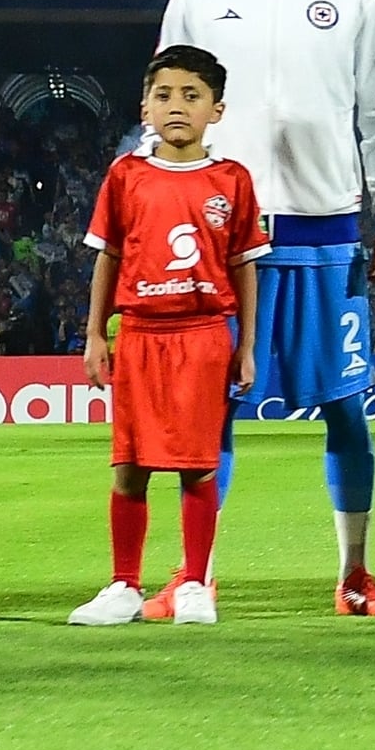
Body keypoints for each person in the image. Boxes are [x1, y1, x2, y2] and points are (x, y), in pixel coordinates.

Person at [154, 0, 375, 617]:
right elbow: (165, 108)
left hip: (326, 230)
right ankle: (194, 573)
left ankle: (355, 574)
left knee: (345, 405)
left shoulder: (355, 1)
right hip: (220, 234)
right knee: (211, 409)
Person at [69, 46, 267, 627]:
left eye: (191, 95)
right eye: (163, 95)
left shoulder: (231, 180)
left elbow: (244, 266)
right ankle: (123, 587)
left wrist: (246, 345)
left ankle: (193, 586)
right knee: (129, 465)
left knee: (197, 465)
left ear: (217, 109)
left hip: (203, 334)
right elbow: (107, 257)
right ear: (144, 108)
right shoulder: (126, 175)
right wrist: (94, 335)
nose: (176, 106)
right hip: (140, 334)